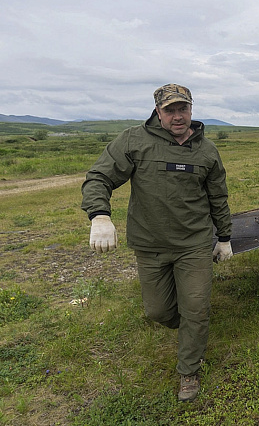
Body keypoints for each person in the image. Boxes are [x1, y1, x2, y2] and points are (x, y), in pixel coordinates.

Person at [81, 84, 233, 402]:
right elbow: (99, 176)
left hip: (193, 244)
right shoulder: (134, 141)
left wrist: (224, 237)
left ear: (191, 109)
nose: (178, 116)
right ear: (157, 112)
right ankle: (191, 326)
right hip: (150, 244)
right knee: (158, 311)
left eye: (183, 109)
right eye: (170, 110)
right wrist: (100, 215)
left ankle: (189, 370)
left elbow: (218, 196)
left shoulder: (206, 151)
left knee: (196, 307)